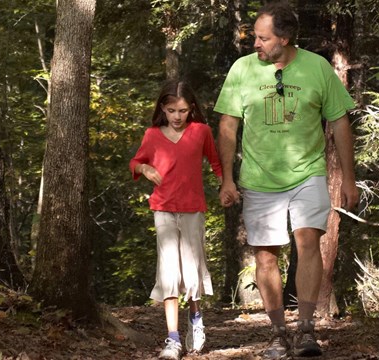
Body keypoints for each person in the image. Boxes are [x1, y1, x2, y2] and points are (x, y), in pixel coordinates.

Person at [214, 1, 359, 359]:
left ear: (285, 37)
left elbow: (339, 122)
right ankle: (278, 333)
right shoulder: (242, 69)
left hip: (307, 172)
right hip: (259, 178)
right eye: (255, 38)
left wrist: (350, 180)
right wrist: (227, 179)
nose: (256, 44)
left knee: (308, 239)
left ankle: (306, 329)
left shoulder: (317, 68)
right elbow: (228, 126)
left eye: (263, 39)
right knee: (265, 257)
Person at [129, 80, 223, 360]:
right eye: (171, 110)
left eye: (182, 110)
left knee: (192, 268)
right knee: (168, 271)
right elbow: (135, 162)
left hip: (193, 208)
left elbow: (215, 162)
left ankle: (195, 318)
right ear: (163, 109)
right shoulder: (152, 135)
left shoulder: (201, 132)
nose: (177, 116)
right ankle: (172, 338)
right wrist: (144, 168)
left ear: (191, 109)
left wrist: (224, 185)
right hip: (163, 209)